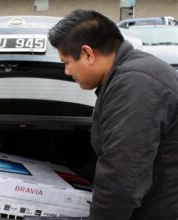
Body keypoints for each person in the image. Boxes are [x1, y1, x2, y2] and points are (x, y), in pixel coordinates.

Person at [48, 9, 178, 220]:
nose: (67, 71)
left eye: (66, 62)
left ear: (88, 54)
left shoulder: (135, 84)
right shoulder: (129, 75)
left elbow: (121, 180)